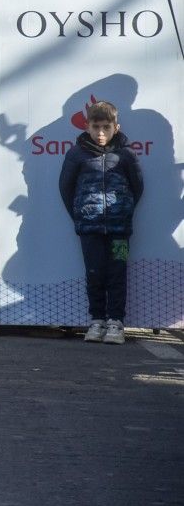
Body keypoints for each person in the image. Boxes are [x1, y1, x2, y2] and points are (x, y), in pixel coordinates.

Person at [58, 100, 143, 345]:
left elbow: (138, 186)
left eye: (106, 127)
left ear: (117, 127)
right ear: (87, 127)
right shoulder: (76, 154)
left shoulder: (126, 154)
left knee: (118, 272)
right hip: (90, 228)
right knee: (94, 272)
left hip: (120, 229)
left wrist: (124, 211)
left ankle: (116, 321)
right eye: (96, 127)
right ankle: (97, 320)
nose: (101, 133)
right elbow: (66, 188)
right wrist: (80, 215)